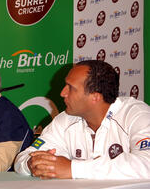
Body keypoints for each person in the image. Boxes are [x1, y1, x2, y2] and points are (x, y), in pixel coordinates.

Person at [14, 60, 150, 179]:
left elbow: (146, 164)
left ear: (95, 97)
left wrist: (72, 169)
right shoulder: (64, 120)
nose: (62, 93)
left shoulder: (136, 115)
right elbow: (22, 159)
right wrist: (32, 163)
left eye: (71, 88)